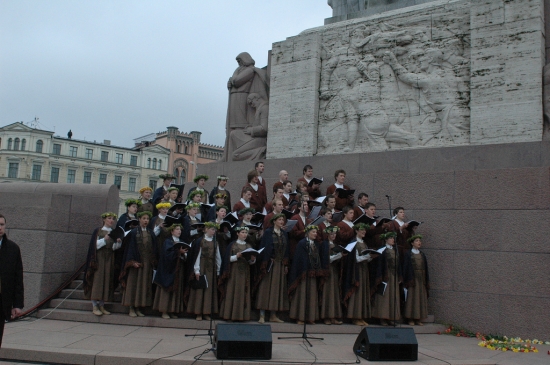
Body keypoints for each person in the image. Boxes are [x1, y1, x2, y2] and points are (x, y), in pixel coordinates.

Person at [83, 212, 123, 316]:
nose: (111, 220)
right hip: (99, 259)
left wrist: (118, 242)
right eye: (109, 218)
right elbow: (94, 245)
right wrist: (104, 240)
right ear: (104, 219)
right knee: (98, 280)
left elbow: (114, 248)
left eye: (113, 219)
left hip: (109, 258)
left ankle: (102, 305)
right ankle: (94, 305)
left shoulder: (113, 232)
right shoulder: (98, 231)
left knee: (106, 280)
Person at [120, 211, 158, 317]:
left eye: (147, 219)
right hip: (136, 263)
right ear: (139, 219)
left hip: (147, 264)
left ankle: (139, 307)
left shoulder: (151, 233)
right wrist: (132, 262)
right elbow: (129, 248)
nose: (146, 221)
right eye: (144, 218)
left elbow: (154, 248)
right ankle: (131, 307)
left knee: (143, 285)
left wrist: (153, 261)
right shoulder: (133, 233)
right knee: (134, 284)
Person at [288, 225, 328, 325]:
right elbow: (299, 259)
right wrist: (305, 269)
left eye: (316, 232)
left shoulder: (315, 244)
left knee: (312, 295)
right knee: (302, 295)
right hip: (304, 274)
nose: (315, 234)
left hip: (312, 273)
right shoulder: (302, 243)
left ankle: (310, 317)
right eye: (313, 232)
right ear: (308, 233)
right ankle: (300, 317)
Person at [254, 213, 290, 323]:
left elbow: (287, 249)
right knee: (266, 288)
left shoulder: (284, 233)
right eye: (279, 220)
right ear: (274, 221)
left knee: (276, 289)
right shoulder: (269, 233)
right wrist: (266, 260)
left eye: (282, 220)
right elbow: (264, 247)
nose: (281, 222)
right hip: (270, 264)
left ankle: (273, 315)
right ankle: (262, 315)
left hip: (280, 264)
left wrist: (285, 263)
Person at [218, 226, 257, 321]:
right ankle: (229, 314)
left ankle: (242, 316)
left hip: (244, 273)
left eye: (246, 233)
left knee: (243, 292)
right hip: (233, 272)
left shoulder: (249, 246)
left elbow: (251, 262)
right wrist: (236, 256)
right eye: (243, 232)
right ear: (237, 233)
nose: (244, 234)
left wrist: (252, 260)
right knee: (232, 291)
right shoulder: (232, 245)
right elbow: (227, 259)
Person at [341, 223, 377, 326]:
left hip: (364, 270)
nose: (364, 232)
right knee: (357, 292)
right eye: (362, 230)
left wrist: (371, 257)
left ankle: (361, 316)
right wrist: (367, 257)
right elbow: (355, 258)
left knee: (363, 292)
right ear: (356, 231)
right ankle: (355, 316)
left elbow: (364, 258)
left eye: (365, 230)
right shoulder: (353, 243)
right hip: (356, 271)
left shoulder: (364, 243)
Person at [185, 222, 222, 321]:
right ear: (205, 230)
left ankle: (207, 312)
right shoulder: (200, 241)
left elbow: (218, 257)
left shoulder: (215, 242)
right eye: (211, 229)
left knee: (209, 290)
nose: (213, 231)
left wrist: (218, 271)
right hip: (202, 266)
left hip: (211, 268)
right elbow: (197, 255)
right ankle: (198, 312)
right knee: (200, 289)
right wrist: (196, 270)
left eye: (214, 230)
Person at [152, 224, 188, 319]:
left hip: (178, 269)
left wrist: (184, 255)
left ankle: (172, 310)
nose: (179, 231)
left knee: (176, 289)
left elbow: (184, 256)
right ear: (172, 231)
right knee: (166, 289)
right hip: (168, 270)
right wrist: (178, 252)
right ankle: (164, 310)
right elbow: (166, 255)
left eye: (180, 229)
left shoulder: (181, 242)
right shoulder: (168, 242)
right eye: (177, 229)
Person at [0, 214, 24, 348]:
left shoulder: (13, 249)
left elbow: (18, 278)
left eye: (2, 224)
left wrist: (17, 304)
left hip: (2, 301)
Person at [372, 232, 401, 326]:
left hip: (394, 275)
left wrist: (399, 275)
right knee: (384, 297)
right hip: (386, 275)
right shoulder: (382, 250)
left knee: (393, 296)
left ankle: (391, 317)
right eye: (391, 238)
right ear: (386, 240)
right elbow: (379, 264)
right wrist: (381, 276)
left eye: (393, 238)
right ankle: (382, 317)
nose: (393, 240)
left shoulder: (395, 250)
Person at [402, 235, 429, 326]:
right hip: (412, 279)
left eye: (420, 241)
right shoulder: (408, 254)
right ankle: (410, 318)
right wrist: (407, 280)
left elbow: (425, 268)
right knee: (412, 298)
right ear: (412, 243)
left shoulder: (422, 254)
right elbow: (405, 267)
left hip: (421, 279)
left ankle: (418, 318)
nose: (419, 242)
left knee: (420, 298)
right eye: (417, 241)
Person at [320, 226, 344, 325]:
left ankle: (333, 316)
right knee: (327, 293)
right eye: (331, 234)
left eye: (335, 234)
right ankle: (326, 316)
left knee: (334, 293)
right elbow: (324, 258)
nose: (333, 236)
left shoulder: (335, 244)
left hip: (334, 271)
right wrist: (336, 256)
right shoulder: (324, 244)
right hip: (327, 271)